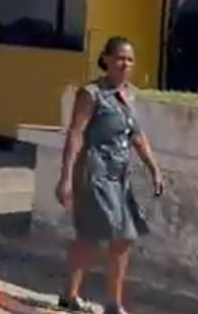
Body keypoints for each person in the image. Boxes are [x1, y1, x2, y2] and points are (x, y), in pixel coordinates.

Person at [55, 36, 164, 314]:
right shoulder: (91, 94)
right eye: (119, 58)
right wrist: (66, 178)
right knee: (119, 235)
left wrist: (153, 169)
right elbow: (75, 134)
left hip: (119, 175)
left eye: (129, 59)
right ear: (106, 60)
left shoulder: (130, 95)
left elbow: (137, 136)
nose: (124, 64)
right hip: (95, 172)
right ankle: (112, 304)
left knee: (93, 236)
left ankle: (73, 296)